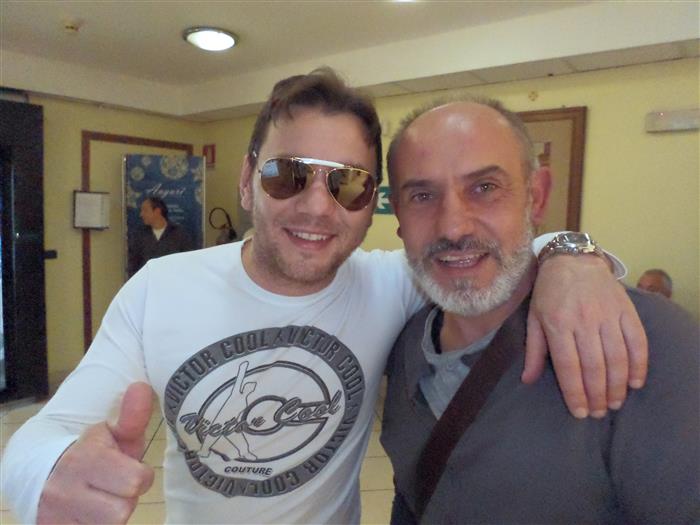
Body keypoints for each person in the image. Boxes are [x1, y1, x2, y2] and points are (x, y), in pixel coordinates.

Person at [2, 69, 647, 525]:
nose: (316, 206)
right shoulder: (161, 288)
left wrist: (571, 257)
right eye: (288, 175)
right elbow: (43, 435)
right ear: (248, 180)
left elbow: (484, 251)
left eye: (349, 184)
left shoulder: (390, 283)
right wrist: (47, 473)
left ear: (373, 204)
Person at [381, 97, 699, 523]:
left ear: (536, 196)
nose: (453, 227)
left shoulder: (648, 342)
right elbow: (412, 496)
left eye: (485, 188)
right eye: (422, 195)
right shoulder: (405, 345)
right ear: (399, 216)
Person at [127, 196, 194, 276]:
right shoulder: (139, 235)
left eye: (145, 210)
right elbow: (133, 264)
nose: (141, 214)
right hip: (148, 280)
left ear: (157, 211)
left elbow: (188, 262)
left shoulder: (179, 234)